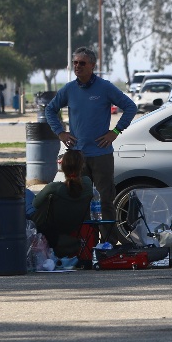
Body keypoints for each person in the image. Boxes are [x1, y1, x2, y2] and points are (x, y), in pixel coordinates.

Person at [44, 46, 137, 244]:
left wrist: (115, 132)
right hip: (77, 156)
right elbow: (50, 110)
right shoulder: (69, 89)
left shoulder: (105, 87)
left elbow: (130, 107)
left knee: (105, 200)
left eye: (82, 63)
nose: (78, 66)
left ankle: (109, 243)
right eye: (75, 63)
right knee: (80, 201)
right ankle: (86, 243)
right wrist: (61, 132)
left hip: (102, 155)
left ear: (92, 66)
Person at [31, 149, 94, 257]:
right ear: (82, 166)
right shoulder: (87, 184)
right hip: (74, 225)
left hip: (50, 226)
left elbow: (35, 204)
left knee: (27, 195)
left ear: (62, 167)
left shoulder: (53, 188)